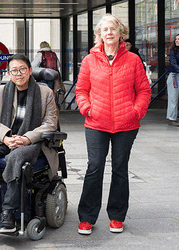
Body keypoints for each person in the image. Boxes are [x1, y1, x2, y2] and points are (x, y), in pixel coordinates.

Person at [0, 54, 59, 233]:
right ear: (8, 73)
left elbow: (50, 123)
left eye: (22, 69)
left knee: (16, 156)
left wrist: (26, 138)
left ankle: (8, 212)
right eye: (14, 70)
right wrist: (6, 137)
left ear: (30, 71)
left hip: (32, 142)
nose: (19, 74)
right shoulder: (1, 92)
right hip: (6, 138)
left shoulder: (45, 92)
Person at [75, 14, 151, 235]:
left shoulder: (133, 60)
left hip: (126, 125)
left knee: (120, 169)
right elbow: (81, 90)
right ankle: (87, 218)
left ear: (120, 33)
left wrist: (136, 112)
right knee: (94, 168)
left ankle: (117, 216)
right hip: (96, 123)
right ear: (100, 34)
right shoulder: (89, 60)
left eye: (113, 29)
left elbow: (144, 90)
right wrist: (86, 108)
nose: (109, 33)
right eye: (105, 30)